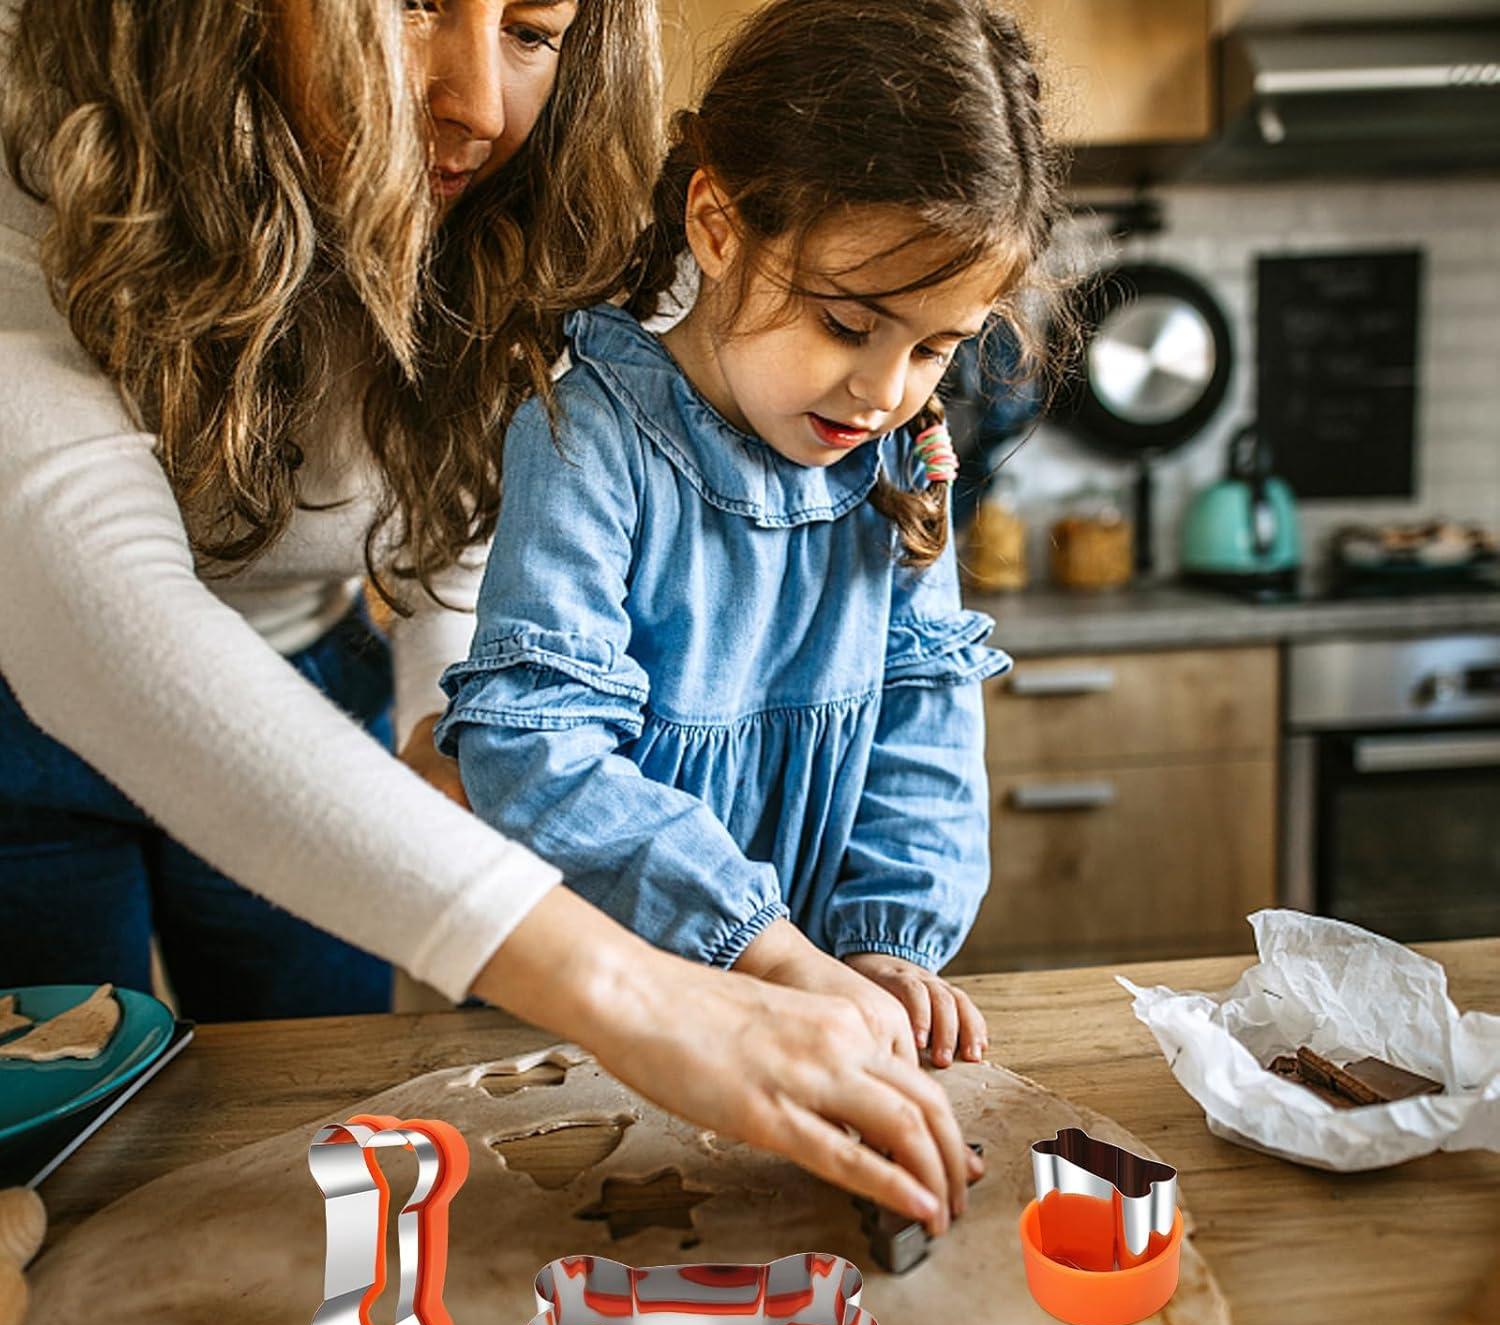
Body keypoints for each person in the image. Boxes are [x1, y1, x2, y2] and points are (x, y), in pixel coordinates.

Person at [0, 0, 980, 1234]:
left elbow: (459, 512)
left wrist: (442, 721)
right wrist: (645, 997)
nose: (481, 103)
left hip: (312, 684)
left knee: (306, 1148)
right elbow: (105, 625)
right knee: (66, 1179)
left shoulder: (541, 209)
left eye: (533, 28)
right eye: (414, 6)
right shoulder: (26, 131)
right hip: (21, 725)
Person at [435, 0, 1063, 1068]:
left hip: (815, 1009)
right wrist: (759, 946)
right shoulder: (586, 434)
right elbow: (535, 750)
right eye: (848, 325)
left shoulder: (900, 459)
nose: (882, 390)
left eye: (934, 349)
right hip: (597, 1021)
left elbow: (925, 730)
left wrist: (885, 947)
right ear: (718, 227)